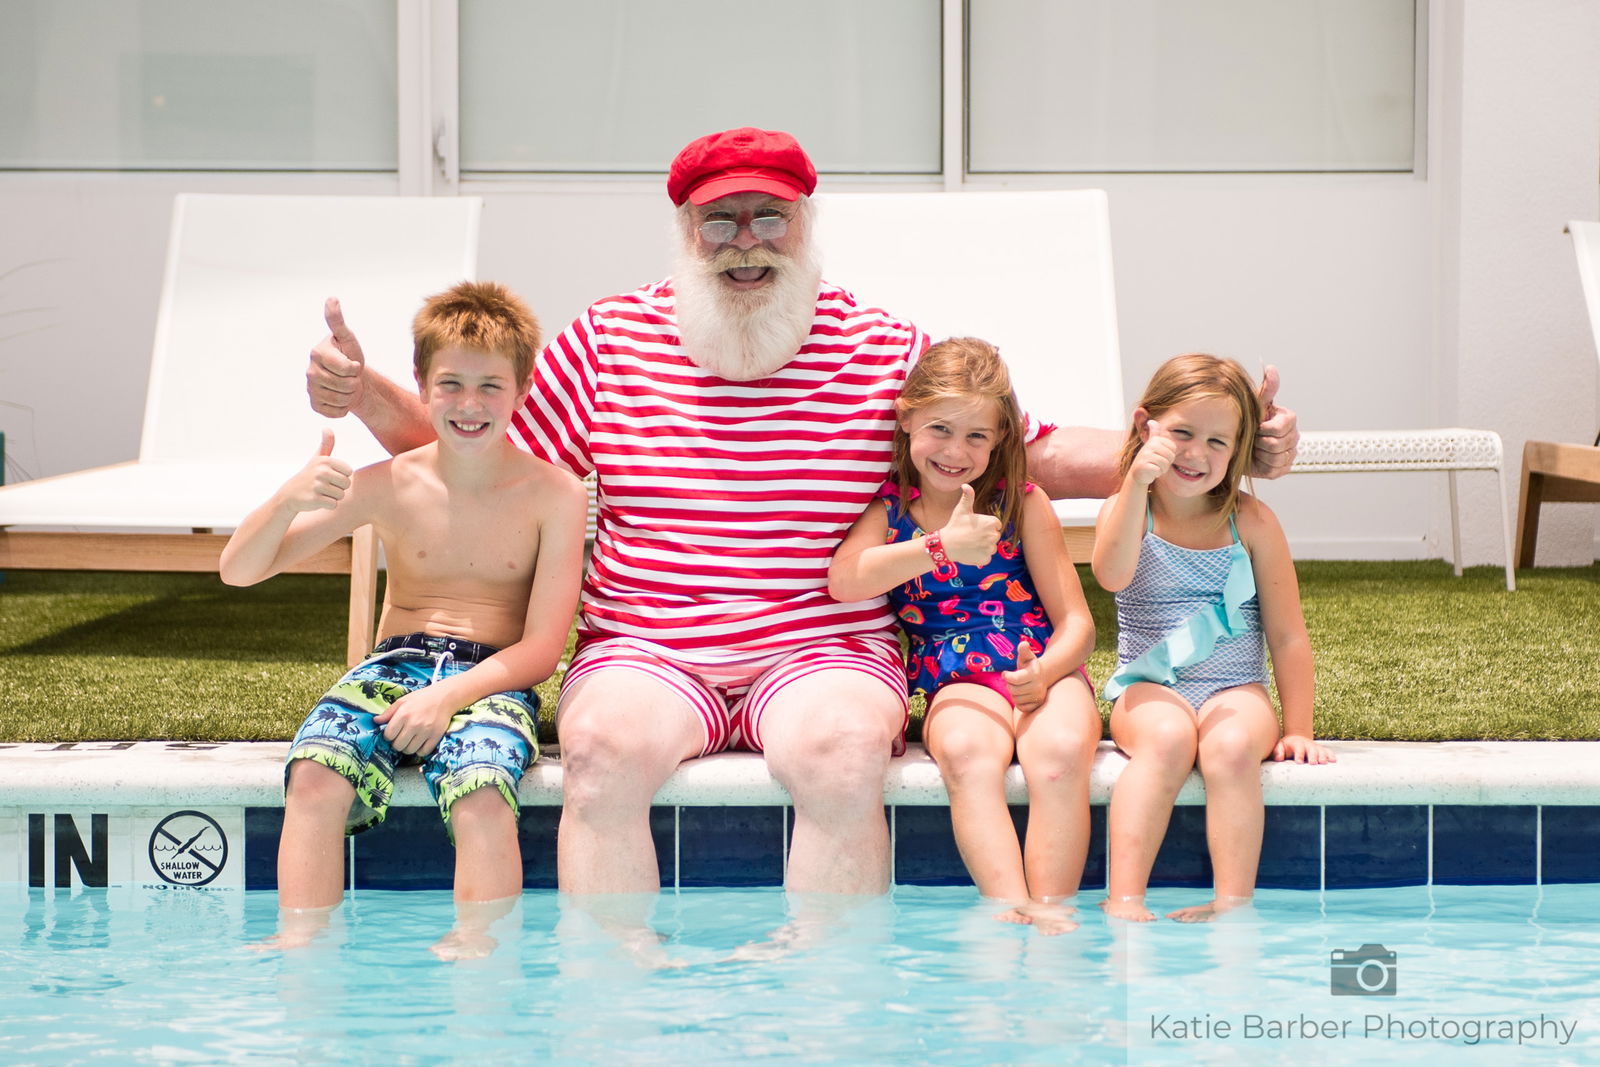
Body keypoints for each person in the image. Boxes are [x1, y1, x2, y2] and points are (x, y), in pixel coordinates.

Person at [303, 127, 1300, 899]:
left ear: (806, 223)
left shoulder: (880, 348)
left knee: (841, 753)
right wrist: (368, 397)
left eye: (767, 217)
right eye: (720, 220)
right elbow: (479, 453)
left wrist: (1194, 452)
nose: (745, 243)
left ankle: (822, 1014)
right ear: (685, 232)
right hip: (650, 647)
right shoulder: (609, 338)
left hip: (823, 649)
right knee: (600, 755)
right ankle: (620, 1011)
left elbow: (1023, 448)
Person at [223, 281, 587, 954]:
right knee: (315, 770)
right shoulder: (387, 483)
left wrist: (445, 697)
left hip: (490, 678)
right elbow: (238, 569)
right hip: (391, 665)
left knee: (481, 786)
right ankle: (302, 940)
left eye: (490, 387)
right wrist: (286, 499)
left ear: (523, 388)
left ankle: (479, 942)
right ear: (420, 384)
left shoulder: (555, 495)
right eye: (450, 384)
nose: (469, 405)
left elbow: (541, 649)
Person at [829, 338, 1099, 933]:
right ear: (905, 417)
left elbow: (1079, 623)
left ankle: (1053, 917)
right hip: (956, 675)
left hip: (1040, 666)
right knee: (967, 756)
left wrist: (1046, 673)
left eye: (978, 435)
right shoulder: (891, 510)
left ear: (1002, 437)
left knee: (1056, 760)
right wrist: (938, 548)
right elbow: (844, 579)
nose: (956, 451)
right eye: (941, 429)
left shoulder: (1023, 504)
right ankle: (1008, 912)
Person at [1090, 353, 1333, 924]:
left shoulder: (1251, 521)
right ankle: (1124, 899)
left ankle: (1231, 904)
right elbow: (1111, 575)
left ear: (1242, 449)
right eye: (1181, 433)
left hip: (1235, 686)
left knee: (1226, 749)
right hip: (1149, 686)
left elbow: (1287, 634)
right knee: (1169, 739)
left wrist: (1298, 728)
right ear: (1144, 426)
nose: (1197, 453)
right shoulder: (1127, 511)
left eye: (1218, 442)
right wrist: (1134, 484)